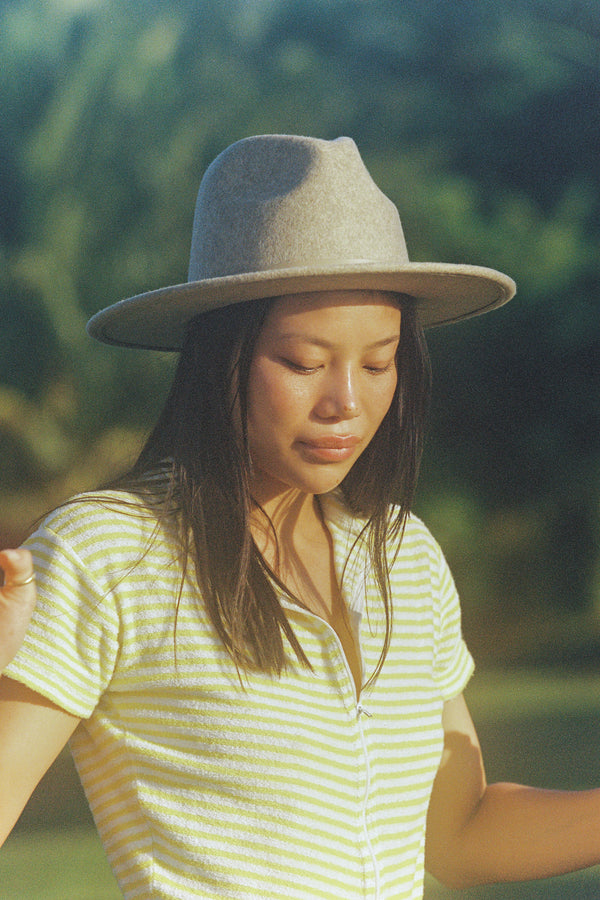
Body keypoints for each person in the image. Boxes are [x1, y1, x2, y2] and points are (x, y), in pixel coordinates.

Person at [0, 134, 598, 900]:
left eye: (379, 363)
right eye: (305, 363)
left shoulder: (402, 557)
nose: (346, 401)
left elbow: (458, 836)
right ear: (224, 359)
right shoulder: (110, 553)